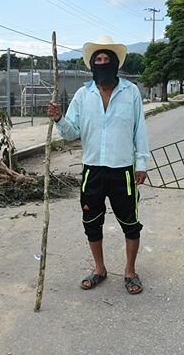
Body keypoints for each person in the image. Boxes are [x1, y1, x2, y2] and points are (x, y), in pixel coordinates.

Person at [47, 35, 150, 295]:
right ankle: (100, 269)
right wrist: (59, 118)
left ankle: (129, 271)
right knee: (91, 221)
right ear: (92, 65)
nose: (102, 63)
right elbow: (71, 132)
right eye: (98, 60)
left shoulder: (131, 92)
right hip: (92, 170)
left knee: (130, 222)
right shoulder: (83, 95)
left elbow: (140, 131)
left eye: (107, 59)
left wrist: (141, 164)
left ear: (115, 63)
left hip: (123, 169)